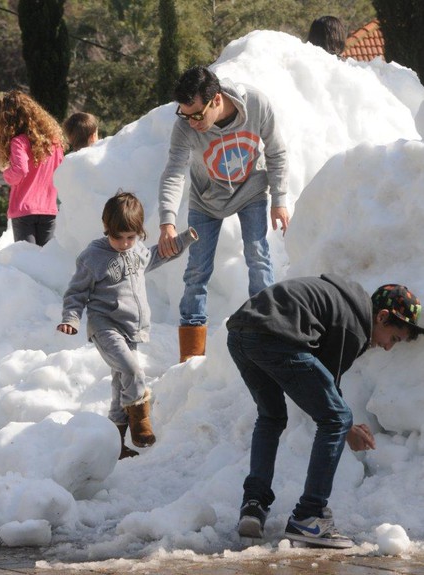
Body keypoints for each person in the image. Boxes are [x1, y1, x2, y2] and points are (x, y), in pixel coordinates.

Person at [226, 275, 424, 548]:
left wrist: (345, 425)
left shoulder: (342, 305)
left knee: (272, 416)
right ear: (382, 317)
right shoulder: (353, 326)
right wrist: (346, 427)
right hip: (275, 337)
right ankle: (309, 516)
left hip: (240, 333)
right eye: (394, 337)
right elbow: (329, 396)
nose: (388, 346)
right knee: (336, 418)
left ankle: (253, 505)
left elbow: (322, 389)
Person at [158, 65, 289, 363]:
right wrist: (167, 221)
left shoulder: (256, 104)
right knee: (197, 271)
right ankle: (191, 352)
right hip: (206, 200)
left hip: (251, 190)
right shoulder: (185, 127)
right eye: (184, 115)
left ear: (216, 100)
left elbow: (276, 151)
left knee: (258, 257)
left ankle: (267, 332)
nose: (191, 123)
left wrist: (279, 198)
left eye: (196, 115)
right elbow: (174, 173)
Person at [57, 191, 198, 459]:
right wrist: (71, 318)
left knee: (120, 385)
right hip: (104, 326)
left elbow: (158, 256)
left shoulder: (137, 251)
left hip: (131, 330)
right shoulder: (93, 257)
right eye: (117, 237)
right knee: (133, 371)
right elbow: (76, 292)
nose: (123, 244)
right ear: (106, 228)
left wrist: (184, 240)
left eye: (130, 237)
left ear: (139, 233)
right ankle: (140, 421)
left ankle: (115, 444)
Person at [0, 90, 66, 246]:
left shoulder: (19, 142)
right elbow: (61, 172)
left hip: (24, 210)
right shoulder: (54, 143)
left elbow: (20, 170)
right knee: (46, 259)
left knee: (28, 260)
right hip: (48, 209)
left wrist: (7, 175)